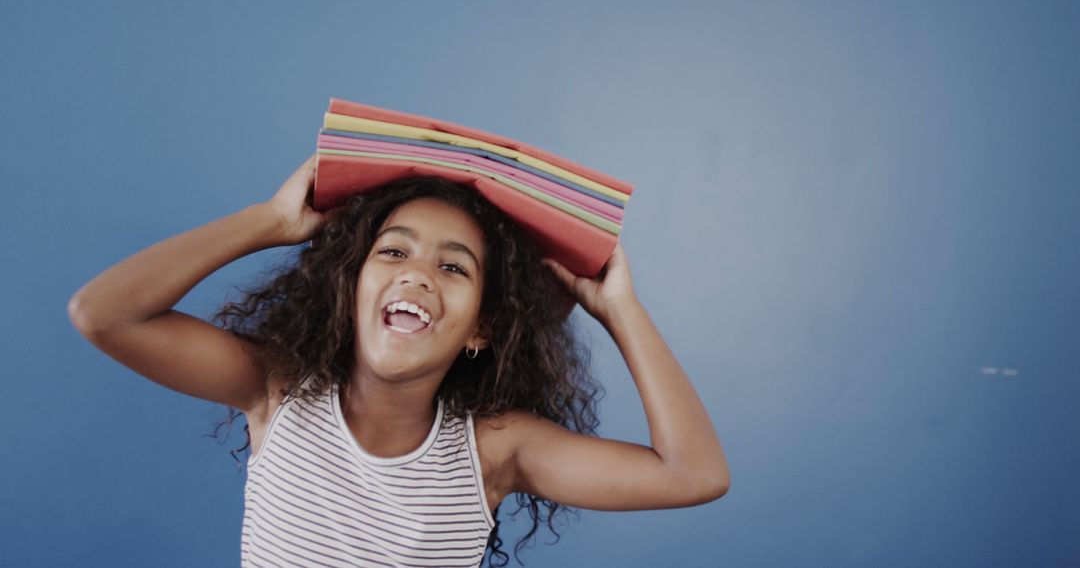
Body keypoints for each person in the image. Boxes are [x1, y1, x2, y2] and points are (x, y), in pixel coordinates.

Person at [68, 155, 730, 567]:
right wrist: (270, 220)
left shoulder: (493, 451)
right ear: (350, 288)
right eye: (393, 252)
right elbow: (104, 314)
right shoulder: (277, 391)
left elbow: (692, 474)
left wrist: (621, 311)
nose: (417, 276)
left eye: (452, 267)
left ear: (481, 329)